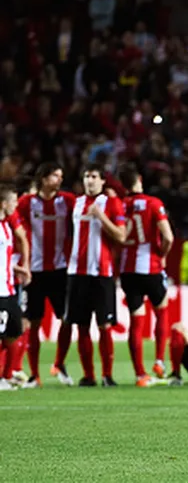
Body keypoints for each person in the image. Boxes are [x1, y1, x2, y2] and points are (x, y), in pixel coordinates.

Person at [16, 163, 76, 388]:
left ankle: (59, 363)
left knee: (67, 319)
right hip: (35, 272)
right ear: (43, 178)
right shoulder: (26, 203)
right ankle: (34, 375)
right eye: (55, 175)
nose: (60, 179)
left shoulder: (67, 201)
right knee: (33, 322)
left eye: (61, 175)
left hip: (60, 270)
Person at [66, 165, 127, 387]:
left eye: (94, 177)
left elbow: (121, 235)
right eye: (86, 176)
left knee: (104, 326)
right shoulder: (76, 203)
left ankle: (107, 374)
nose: (89, 180)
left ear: (103, 182)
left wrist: (101, 216)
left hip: (102, 273)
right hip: (77, 273)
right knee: (81, 326)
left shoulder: (111, 203)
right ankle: (88, 375)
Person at [118, 164, 175, 387]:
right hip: (150, 267)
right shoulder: (153, 203)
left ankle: (140, 374)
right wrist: (162, 255)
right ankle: (160, 361)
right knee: (161, 312)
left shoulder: (119, 205)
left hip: (127, 270)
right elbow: (168, 236)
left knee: (136, 319)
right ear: (139, 179)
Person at [0, 185, 31, 391]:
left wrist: (18, 268)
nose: (16, 205)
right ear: (3, 204)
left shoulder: (6, 227)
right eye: (13, 201)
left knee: (14, 331)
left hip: (9, 287)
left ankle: (6, 375)